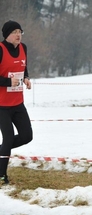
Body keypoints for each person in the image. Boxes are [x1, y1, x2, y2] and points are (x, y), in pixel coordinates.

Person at [0, 20, 33, 185]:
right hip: (2, 106)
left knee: (27, 136)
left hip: (18, 103)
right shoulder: (0, 49)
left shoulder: (23, 48)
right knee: (8, 138)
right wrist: (7, 82)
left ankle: (1, 151)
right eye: (14, 32)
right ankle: (1, 175)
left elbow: (23, 68)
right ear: (6, 35)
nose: (18, 35)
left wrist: (26, 78)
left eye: (20, 31)